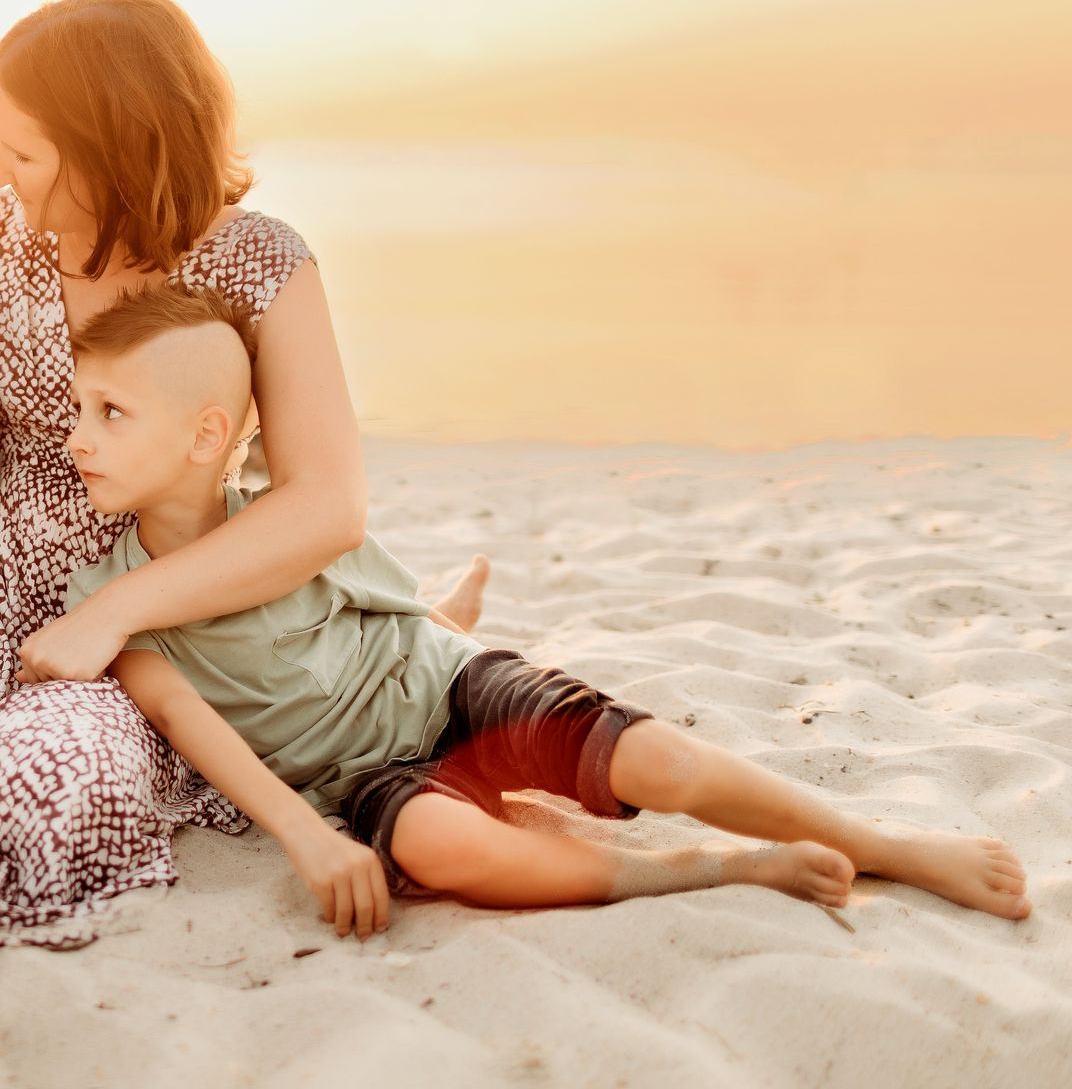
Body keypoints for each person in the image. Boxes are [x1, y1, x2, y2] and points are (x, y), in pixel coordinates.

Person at [0, 0, 492, 972]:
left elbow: (328, 502)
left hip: (168, 626)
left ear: (115, 148)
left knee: (39, 791)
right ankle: (422, 629)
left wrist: (114, 609)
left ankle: (411, 645)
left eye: (26, 149)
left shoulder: (257, 262)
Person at [53, 283, 1034, 940]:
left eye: (110, 411)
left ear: (206, 435)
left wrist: (445, 629)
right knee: (449, 849)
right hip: (356, 771)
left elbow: (380, 603)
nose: (76, 435)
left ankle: (894, 845)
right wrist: (309, 837)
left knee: (664, 760)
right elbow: (189, 721)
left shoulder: (281, 518)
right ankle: (703, 868)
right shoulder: (107, 595)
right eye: (79, 405)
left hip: (438, 677)